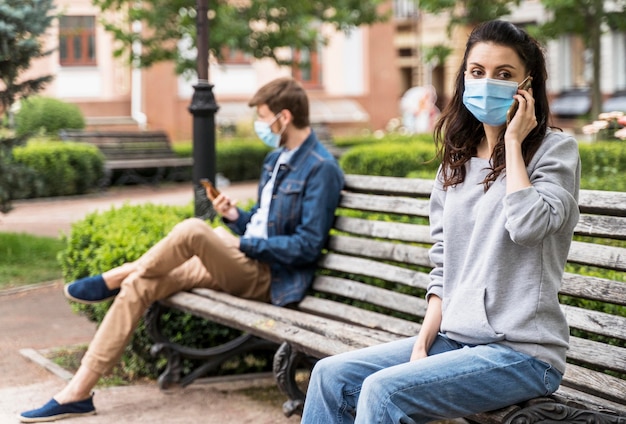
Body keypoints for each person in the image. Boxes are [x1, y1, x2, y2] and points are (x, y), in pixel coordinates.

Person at [301, 20, 580, 424]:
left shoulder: (556, 151)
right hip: (455, 340)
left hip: (523, 353)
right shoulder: (458, 160)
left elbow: (528, 225)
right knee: (331, 375)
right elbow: (444, 264)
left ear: (527, 86)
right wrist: (423, 342)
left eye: (504, 74)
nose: (487, 83)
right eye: (477, 72)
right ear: (464, 78)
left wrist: (514, 143)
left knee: (385, 392)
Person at [20, 77, 344, 422]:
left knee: (193, 230)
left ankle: (112, 276)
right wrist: (236, 217)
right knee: (140, 284)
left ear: (284, 117)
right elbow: (264, 222)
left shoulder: (320, 168)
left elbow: (307, 247)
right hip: (242, 261)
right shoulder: (276, 159)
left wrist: (243, 242)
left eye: (263, 117)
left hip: (270, 279)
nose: (259, 125)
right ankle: (78, 391)